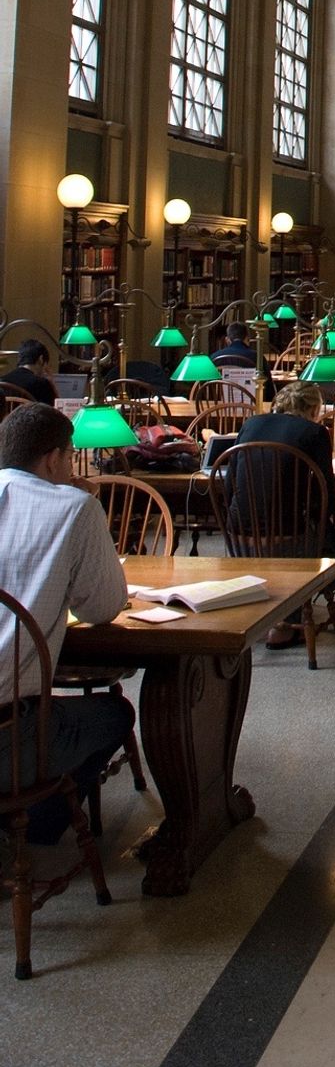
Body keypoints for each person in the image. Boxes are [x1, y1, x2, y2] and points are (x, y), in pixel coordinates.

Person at [0, 403, 132, 841]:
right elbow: (102, 608)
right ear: (54, 458)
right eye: (72, 455)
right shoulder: (74, 508)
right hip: (9, 734)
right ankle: (39, 821)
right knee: (115, 713)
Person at [229, 380, 335, 648]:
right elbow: (324, 490)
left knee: (313, 521)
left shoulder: (251, 424)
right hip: (289, 533)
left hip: (240, 532)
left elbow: (229, 485)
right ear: (314, 408)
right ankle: (287, 622)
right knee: (317, 524)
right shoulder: (314, 432)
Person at [5, 338, 57, 405]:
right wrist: (51, 383)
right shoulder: (41, 384)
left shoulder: (3, 381)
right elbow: (53, 411)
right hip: (31, 415)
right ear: (41, 359)